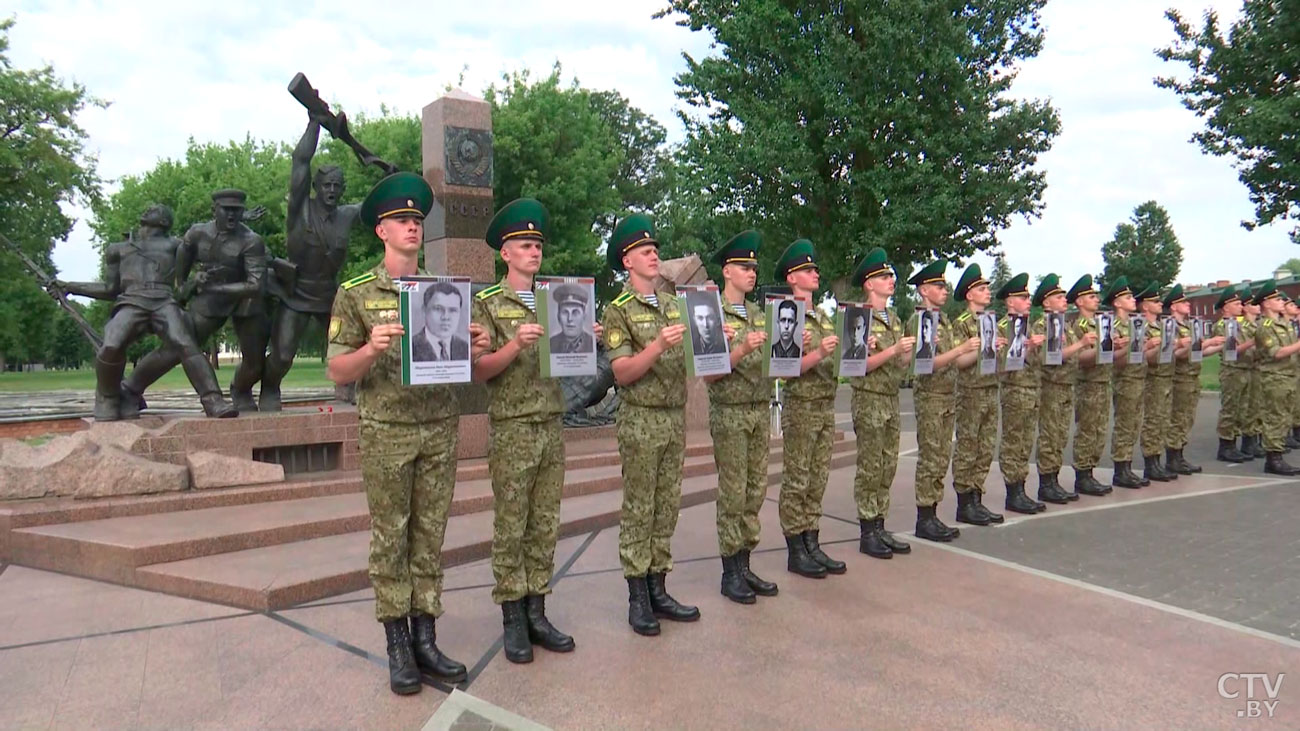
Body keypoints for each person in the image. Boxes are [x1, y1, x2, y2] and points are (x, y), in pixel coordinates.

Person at [325, 171, 490, 695]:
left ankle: (426, 636)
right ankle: (398, 643)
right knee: (391, 536)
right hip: (388, 430)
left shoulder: (444, 292)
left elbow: (461, 364)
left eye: (417, 221)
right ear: (382, 232)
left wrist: (478, 345)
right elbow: (336, 370)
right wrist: (371, 348)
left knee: (429, 535)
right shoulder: (356, 294)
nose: (412, 228)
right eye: (402, 221)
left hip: (439, 428)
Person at [472, 198, 583, 664]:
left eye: (537, 244)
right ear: (505, 253)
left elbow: (568, 362)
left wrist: (583, 337)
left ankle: (537, 609)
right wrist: (516, 343)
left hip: (550, 422)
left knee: (544, 523)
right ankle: (512, 615)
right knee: (512, 525)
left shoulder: (558, 300)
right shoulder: (486, 305)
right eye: (524, 244)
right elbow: (480, 371)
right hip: (514, 426)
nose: (534, 251)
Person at [601, 213, 699, 636]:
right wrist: (658, 344)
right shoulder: (618, 311)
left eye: (655, 248)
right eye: (645, 250)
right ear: (627, 261)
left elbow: (699, 361)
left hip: (674, 417)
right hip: (640, 419)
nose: (654, 254)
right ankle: (637, 595)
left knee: (666, 507)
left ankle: (659, 586)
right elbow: (622, 372)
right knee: (640, 508)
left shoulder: (676, 307)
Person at [53, 205, 237, 421]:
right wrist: (69, 287)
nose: (150, 209)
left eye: (157, 210)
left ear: (165, 221)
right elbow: (110, 289)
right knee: (111, 345)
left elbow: (212, 249)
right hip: (130, 301)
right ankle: (108, 397)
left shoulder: (176, 245)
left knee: (185, 343)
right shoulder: (117, 249)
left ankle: (213, 401)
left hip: (164, 301)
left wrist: (233, 227)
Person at [122, 189, 268, 410]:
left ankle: (240, 389)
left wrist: (216, 287)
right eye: (226, 210)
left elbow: (256, 285)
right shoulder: (197, 233)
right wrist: (184, 285)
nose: (231, 216)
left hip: (247, 301)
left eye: (236, 211)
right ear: (214, 211)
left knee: (255, 362)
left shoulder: (251, 240)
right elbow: (183, 259)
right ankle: (130, 389)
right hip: (209, 301)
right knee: (178, 344)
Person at [258, 111, 363, 412]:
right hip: (296, 294)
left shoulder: (347, 215)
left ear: (343, 190)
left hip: (329, 295)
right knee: (282, 355)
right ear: (317, 187)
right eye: (327, 185)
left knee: (349, 346)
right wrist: (315, 123)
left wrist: (391, 174)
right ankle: (269, 387)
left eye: (337, 186)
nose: (332, 191)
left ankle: (349, 389)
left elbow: (380, 202)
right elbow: (300, 161)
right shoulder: (299, 209)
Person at [704, 230, 778, 602]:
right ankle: (729, 570)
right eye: (745, 266)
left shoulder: (759, 315)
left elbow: (775, 366)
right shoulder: (711, 312)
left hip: (758, 409)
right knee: (732, 493)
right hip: (730, 411)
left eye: (754, 266)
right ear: (727, 271)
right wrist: (741, 349)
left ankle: (746, 564)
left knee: (754, 491)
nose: (752, 271)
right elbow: (710, 372)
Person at [775, 239, 844, 576]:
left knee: (817, 479)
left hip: (825, 405)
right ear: (792, 277)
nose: (815, 273)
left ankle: (812, 542)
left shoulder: (824, 317)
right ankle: (795, 548)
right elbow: (783, 370)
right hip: (801, 406)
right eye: (807, 269)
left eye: (815, 269)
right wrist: (818, 354)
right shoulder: (786, 316)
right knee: (798, 480)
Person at [849, 248, 915, 557]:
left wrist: (904, 355)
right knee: (870, 467)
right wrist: (890, 352)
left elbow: (900, 366)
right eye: (884, 276)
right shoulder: (857, 318)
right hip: (869, 399)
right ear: (869, 284)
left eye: (891, 276)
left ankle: (880, 525)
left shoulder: (894, 318)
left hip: (890, 398)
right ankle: (867, 530)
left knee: (888, 464)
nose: (892, 280)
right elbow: (856, 366)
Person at [906, 260, 974, 541]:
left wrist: (978, 352)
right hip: (931, 396)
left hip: (948, 395)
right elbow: (927, 364)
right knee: (931, 458)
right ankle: (925, 517)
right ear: (924, 290)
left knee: (941, 456)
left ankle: (933, 513)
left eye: (944, 285)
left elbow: (955, 364)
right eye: (938, 285)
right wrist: (960, 349)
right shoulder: (920, 319)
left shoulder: (943, 320)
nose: (944, 290)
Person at [949, 263, 1006, 526]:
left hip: (989, 389)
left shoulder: (990, 323)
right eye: (982, 289)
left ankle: (976, 498)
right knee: (968, 448)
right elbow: (958, 362)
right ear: (970, 295)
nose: (988, 292)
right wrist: (984, 347)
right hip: (970, 392)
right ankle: (964, 503)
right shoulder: (960, 325)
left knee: (985, 449)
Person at [1034, 274, 1095, 503]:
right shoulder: (1044, 325)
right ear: (1046, 302)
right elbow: (1053, 357)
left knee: (1059, 436)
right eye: (1058, 297)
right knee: (1050, 436)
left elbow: (1077, 357)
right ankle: (1046, 484)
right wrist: (1080, 344)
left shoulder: (1066, 327)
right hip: (1052, 386)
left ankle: (1054, 480)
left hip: (1067, 385)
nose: (1064, 300)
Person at [996, 273, 1047, 513]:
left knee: (1026, 442)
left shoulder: (1029, 328)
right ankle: (1012, 492)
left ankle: (1021, 489)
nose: (1028, 301)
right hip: (1015, 390)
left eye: (1028, 297)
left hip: (1032, 389)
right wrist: (1028, 349)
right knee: (1013, 442)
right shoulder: (1003, 328)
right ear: (1010, 302)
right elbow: (1004, 365)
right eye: (1023, 297)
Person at [1105, 276, 1155, 488]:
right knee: (1125, 425)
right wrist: (1135, 347)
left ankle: (1127, 466)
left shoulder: (1136, 324)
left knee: (1134, 424)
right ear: (1117, 303)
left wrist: (1149, 346)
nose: (1133, 299)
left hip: (1139, 377)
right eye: (1127, 297)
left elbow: (1145, 355)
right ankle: (1121, 469)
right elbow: (1113, 359)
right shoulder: (1113, 326)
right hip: (1125, 379)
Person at [1167, 285, 1223, 473]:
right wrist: (1207, 342)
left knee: (1186, 419)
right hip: (1179, 378)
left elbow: (1198, 352)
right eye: (1183, 302)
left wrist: (1218, 346)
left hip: (1192, 377)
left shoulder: (1187, 326)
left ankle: (1179, 455)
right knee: (1178, 418)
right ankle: (1173, 458)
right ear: (1173, 306)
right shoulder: (1170, 327)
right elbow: (1178, 354)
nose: (1188, 304)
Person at [1067, 274, 1114, 497]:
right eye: (1091, 296)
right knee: (1087, 430)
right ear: (1079, 301)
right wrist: (1103, 349)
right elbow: (1082, 359)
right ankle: (1082, 475)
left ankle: (1090, 471)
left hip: (1103, 382)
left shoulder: (1101, 324)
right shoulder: (1080, 326)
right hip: (1088, 384)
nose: (1096, 299)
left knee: (1099, 430)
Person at [1251, 281, 1300, 475]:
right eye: (1277, 299)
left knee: (1284, 417)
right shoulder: (1265, 326)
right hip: (1274, 377)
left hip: (1288, 376)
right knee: (1274, 418)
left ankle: (1277, 455)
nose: (1282, 302)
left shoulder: (1286, 325)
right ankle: (1273, 459)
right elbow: (1276, 353)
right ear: (1267, 304)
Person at [1139, 284, 1182, 482]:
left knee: (1163, 421)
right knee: (1153, 422)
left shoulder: (1161, 327)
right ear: (1145, 306)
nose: (1159, 304)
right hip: (1153, 379)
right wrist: (1166, 346)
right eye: (1155, 301)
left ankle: (1158, 460)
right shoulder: (1143, 328)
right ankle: (1151, 463)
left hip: (1166, 378)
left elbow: (1172, 355)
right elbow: (1147, 357)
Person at [1213, 286, 1252, 462]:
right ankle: (1226, 446)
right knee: (1230, 409)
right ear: (1226, 307)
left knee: (1241, 409)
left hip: (1244, 370)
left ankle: (1234, 443)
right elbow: (1232, 351)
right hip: (1232, 370)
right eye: (1236, 304)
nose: (1241, 307)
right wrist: (1253, 341)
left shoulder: (1239, 325)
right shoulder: (1223, 326)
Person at [411, 282, 469, 362]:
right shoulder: (410, 347)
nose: (445, 317)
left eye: (453, 310)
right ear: (424, 310)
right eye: (438, 309)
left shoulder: (466, 348)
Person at [548, 283, 594, 354]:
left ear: (584, 316)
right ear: (558, 316)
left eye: (575, 313)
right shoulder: (549, 344)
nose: (570, 319)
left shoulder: (593, 343)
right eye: (565, 312)